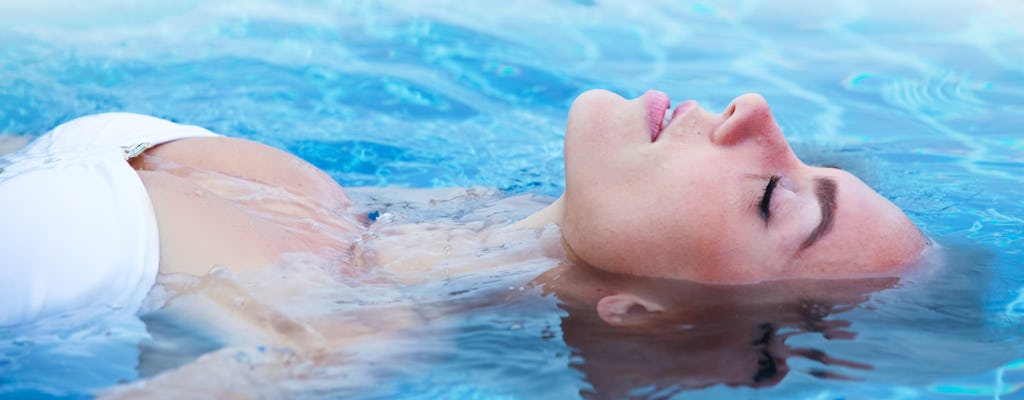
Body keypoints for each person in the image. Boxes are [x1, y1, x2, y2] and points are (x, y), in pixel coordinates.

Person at [0, 90, 930, 395]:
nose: (756, 112)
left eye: (773, 198)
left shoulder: (344, 338)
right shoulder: (370, 212)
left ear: (640, 312)